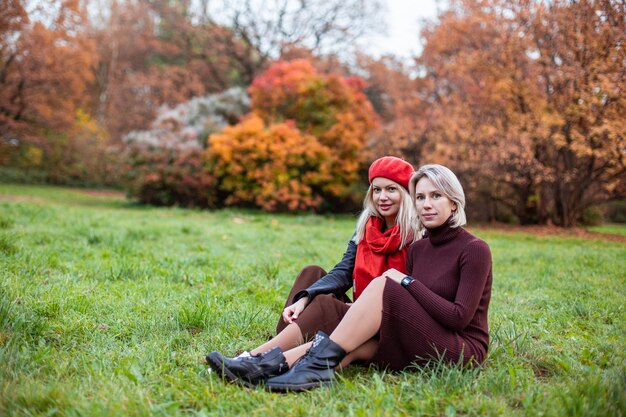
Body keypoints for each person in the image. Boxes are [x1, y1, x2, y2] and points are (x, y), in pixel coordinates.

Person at [260, 163, 493, 391]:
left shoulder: (474, 249)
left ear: (453, 202)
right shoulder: (419, 249)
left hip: (462, 349)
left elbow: (458, 318)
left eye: (436, 196)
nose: (426, 204)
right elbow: (411, 303)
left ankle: (289, 363)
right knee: (355, 346)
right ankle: (271, 365)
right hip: (423, 331)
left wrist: (406, 281)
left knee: (383, 284)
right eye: (420, 197)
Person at [205, 156, 417, 387]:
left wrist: (356, 307)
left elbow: (413, 295)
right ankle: (289, 348)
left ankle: (256, 358)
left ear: (405, 194)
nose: (382, 197)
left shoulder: (417, 236)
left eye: (391, 190)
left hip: (380, 323)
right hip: (354, 313)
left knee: (326, 304)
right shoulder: (366, 229)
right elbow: (344, 272)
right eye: (376, 190)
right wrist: (305, 298)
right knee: (312, 274)